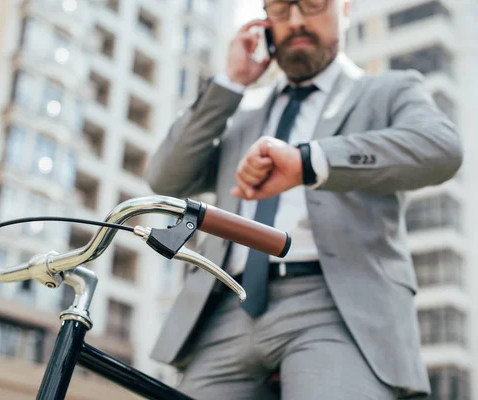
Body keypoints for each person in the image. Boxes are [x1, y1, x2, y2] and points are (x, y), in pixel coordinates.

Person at [145, 0, 463, 398]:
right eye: (281, 9)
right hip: (225, 307)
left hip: (338, 307)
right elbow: (166, 177)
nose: (296, 21)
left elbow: (442, 148)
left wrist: (309, 163)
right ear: (262, 22)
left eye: (312, 5)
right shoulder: (241, 112)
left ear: (345, 7)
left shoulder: (387, 90)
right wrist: (230, 82)